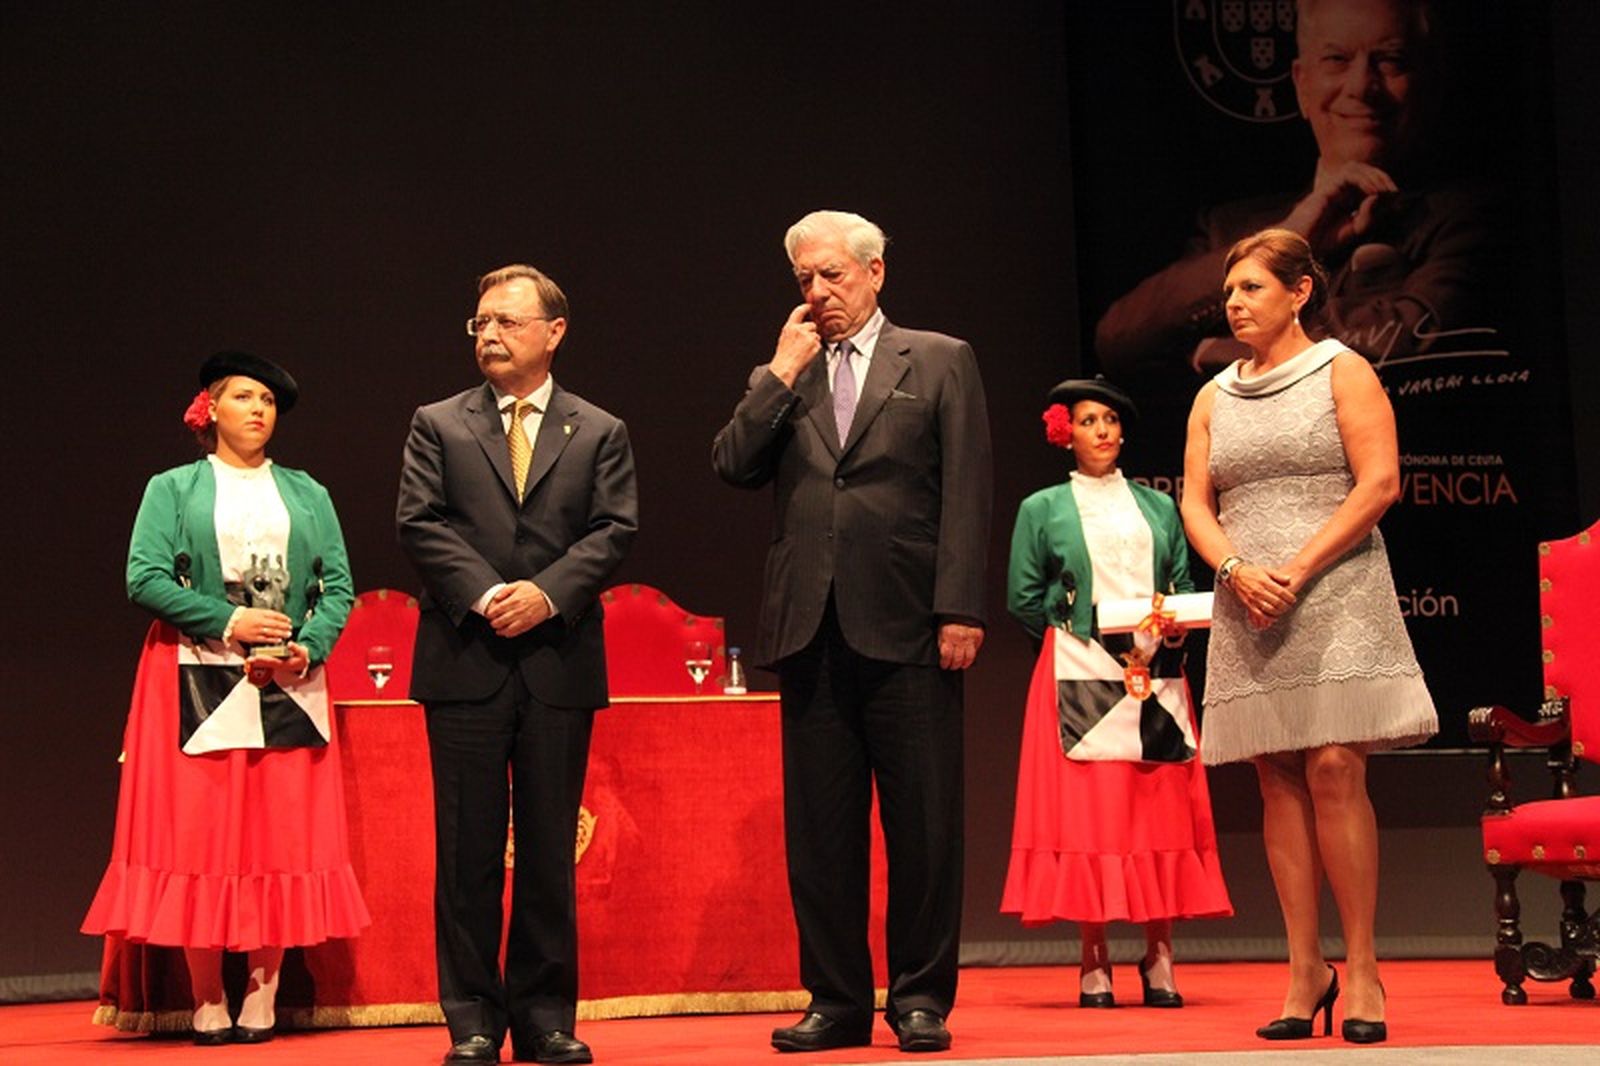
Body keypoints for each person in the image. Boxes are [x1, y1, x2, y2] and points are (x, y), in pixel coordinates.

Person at [713, 209, 992, 1054]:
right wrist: (778, 372)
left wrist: (959, 607)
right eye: (804, 278)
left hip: (911, 622)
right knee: (822, 834)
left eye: (832, 274)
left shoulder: (938, 359)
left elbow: (968, 488)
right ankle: (835, 1000)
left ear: (875, 272)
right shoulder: (785, 373)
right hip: (810, 626)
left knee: (925, 826)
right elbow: (732, 463)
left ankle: (919, 998)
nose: (818, 291)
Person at [1179, 228, 1437, 1044]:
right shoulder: (1214, 395)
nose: (1234, 303)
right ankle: (1304, 968)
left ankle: (1361, 968)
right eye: (1229, 292)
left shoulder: (1342, 369)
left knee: (1333, 766)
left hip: (1333, 587)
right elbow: (1195, 502)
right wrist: (1234, 570)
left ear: (1299, 292)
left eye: (1252, 288)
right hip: (1248, 597)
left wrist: (1295, 568)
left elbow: (1380, 482)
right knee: (1277, 776)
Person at [82, 351, 368, 1045]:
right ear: (210, 408)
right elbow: (145, 577)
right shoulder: (173, 488)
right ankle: (207, 991)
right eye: (244, 396)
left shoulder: (308, 493)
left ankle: (263, 989)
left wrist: (308, 646)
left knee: (280, 830)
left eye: (267, 400)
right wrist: (229, 619)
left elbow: (338, 587)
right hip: (194, 672)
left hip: (287, 681)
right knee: (200, 828)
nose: (259, 409)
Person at [397, 264, 637, 1065]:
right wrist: (491, 594)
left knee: (547, 852)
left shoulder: (598, 429)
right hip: (465, 658)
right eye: (481, 324)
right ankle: (472, 1019)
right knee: (466, 852)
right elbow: (420, 522)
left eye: (507, 322)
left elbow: (614, 529)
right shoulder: (439, 422)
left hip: (557, 661)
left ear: (554, 332)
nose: (490, 336)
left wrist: (545, 595)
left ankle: (544, 1018)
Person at [1097, 0, 1504, 378]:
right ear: (1301, 85)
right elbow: (1118, 342)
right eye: (1337, 59)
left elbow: (1414, 343)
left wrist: (1219, 349)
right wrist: (1284, 239)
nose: (1361, 86)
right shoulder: (1228, 227)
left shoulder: (1472, 218)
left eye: (1390, 60)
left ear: (1428, 86)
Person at [1000, 377, 1232, 1009]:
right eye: (1087, 421)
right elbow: (1023, 596)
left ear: (1123, 432)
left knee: (1157, 806)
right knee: (1091, 812)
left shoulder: (1158, 507)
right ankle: (1093, 955)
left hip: (1152, 667)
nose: (1100, 430)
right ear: (1065, 433)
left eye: (1109, 420)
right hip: (1078, 666)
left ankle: (1160, 952)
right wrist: (1074, 641)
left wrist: (1170, 627)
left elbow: (1179, 578)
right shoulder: (1042, 508)